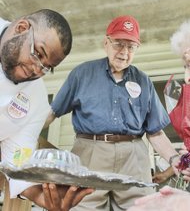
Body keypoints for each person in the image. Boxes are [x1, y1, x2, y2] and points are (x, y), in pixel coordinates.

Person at [45, 15, 180, 210]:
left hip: (133, 156)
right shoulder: (82, 73)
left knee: (141, 207)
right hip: (90, 151)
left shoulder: (144, 81)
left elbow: (155, 132)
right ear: (106, 43)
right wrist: (20, 136)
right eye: (118, 44)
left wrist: (175, 159)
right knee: (83, 206)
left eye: (131, 46)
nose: (124, 52)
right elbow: (52, 113)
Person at [0, 9, 93, 211]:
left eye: (46, 67)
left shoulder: (36, 101)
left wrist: (42, 196)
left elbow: (17, 159)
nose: (36, 70)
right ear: (22, 28)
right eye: (38, 54)